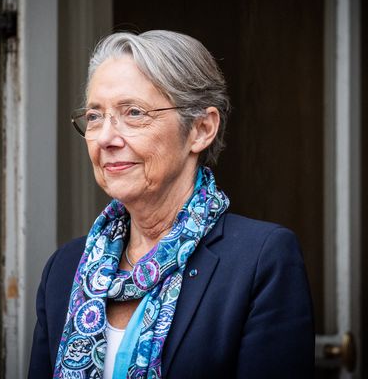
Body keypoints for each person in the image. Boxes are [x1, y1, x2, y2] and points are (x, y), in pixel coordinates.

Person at [28, 30, 315, 379]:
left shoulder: (260, 260)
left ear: (200, 129)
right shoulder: (65, 268)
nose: (105, 138)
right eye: (94, 116)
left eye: (133, 112)